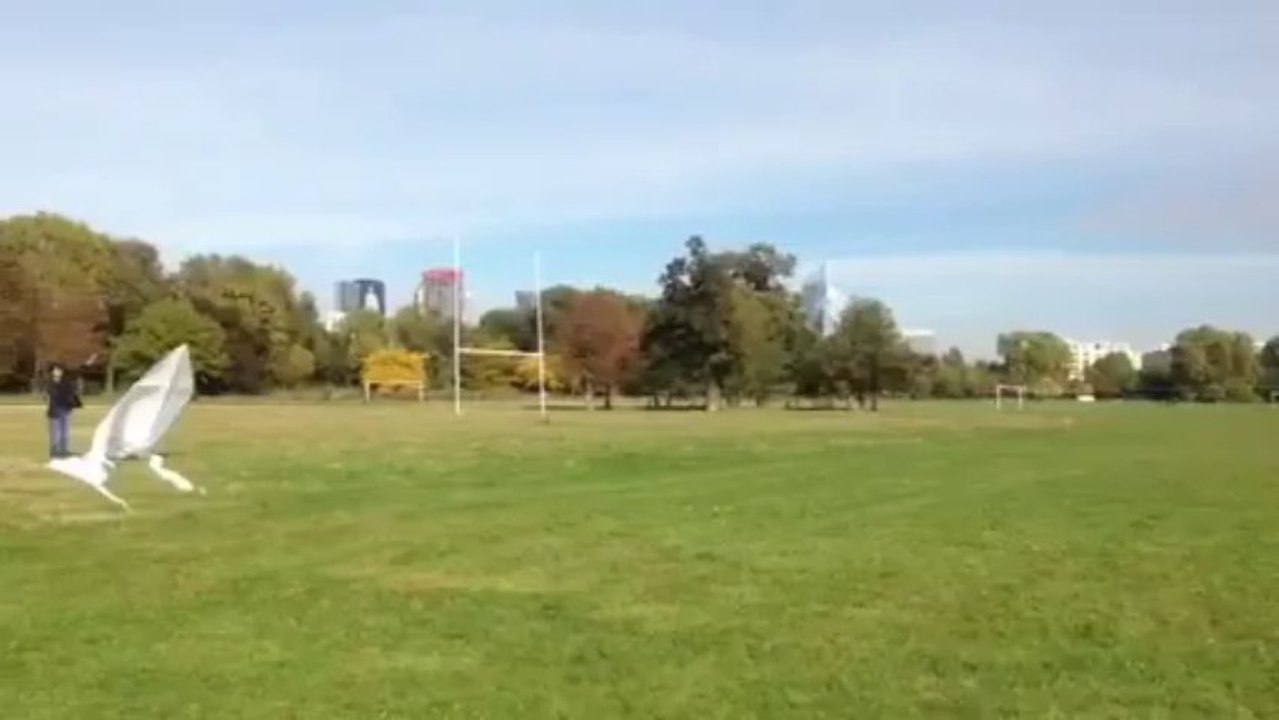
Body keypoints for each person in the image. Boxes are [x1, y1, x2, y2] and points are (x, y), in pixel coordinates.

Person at [45, 364, 82, 459]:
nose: (57, 372)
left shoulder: (66, 381)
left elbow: (71, 393)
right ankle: (54, 451)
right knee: (54, 431)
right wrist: (49, 408)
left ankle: (63, 450)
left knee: (64, 430)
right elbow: (49, 397)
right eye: (55, 370)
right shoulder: (50, 382)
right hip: (54, 409)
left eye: (59, 370)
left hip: (65, 408)